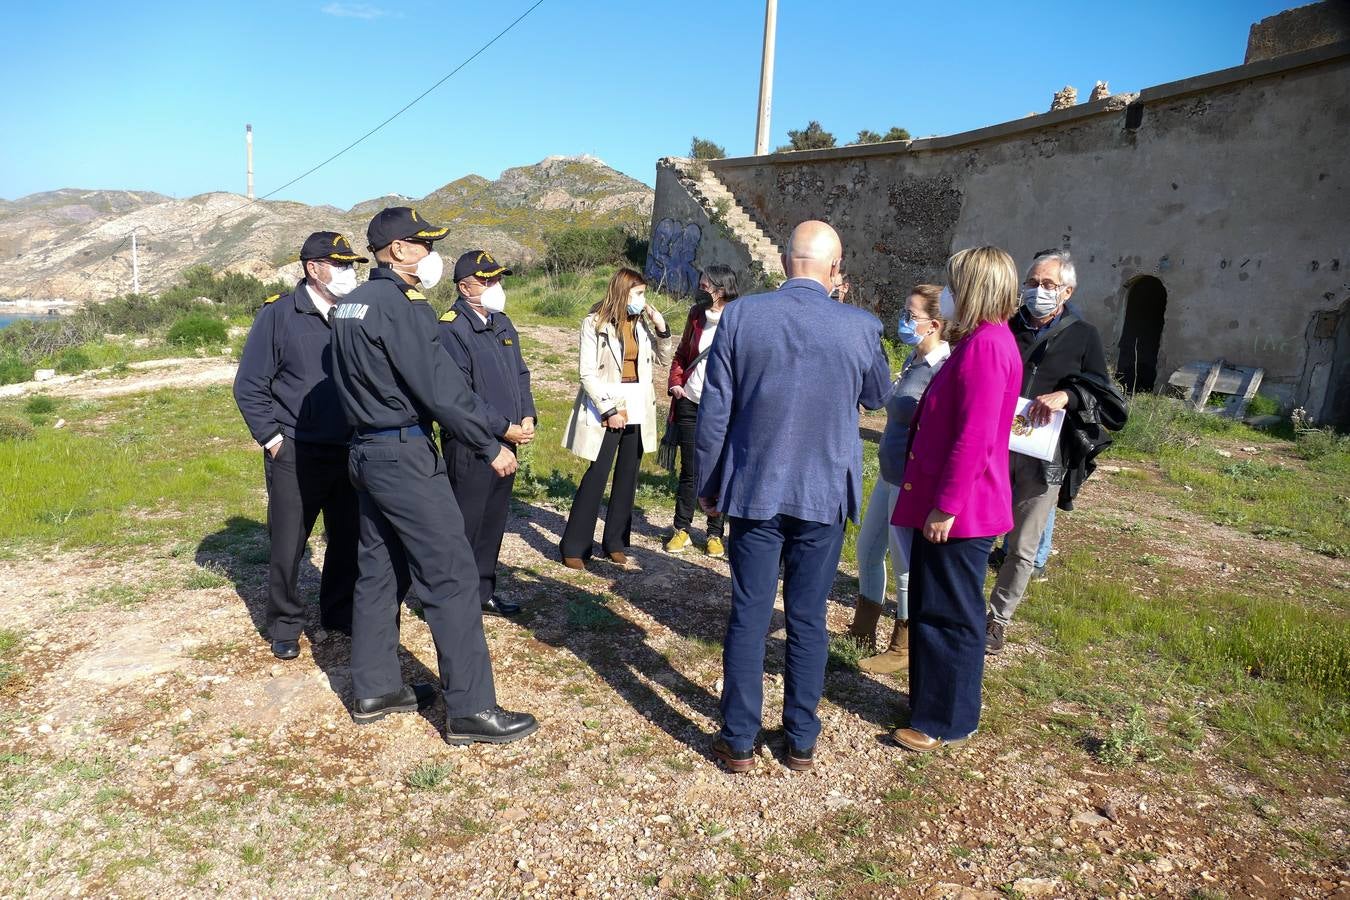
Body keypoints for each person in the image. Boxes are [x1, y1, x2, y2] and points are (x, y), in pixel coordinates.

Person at [329, 206, 537, 744]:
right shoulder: (403, 307)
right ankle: (471, 709)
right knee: (451, 574)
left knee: (379, 570)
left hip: (365, 452)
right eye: (422, 244)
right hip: (403, 454)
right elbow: (441, 389)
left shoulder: (349, 304)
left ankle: (376, 688)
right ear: (396, 250)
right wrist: (488, 442)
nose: (429, 255)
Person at [696, 221, 890, 773]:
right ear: (836, 267)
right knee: (807, 619)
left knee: (749, 615)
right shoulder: (861, 326)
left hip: (753, 490)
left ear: (785, 262)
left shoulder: (740, 316)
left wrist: (709, 487)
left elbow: (714, 415)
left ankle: (738, 740)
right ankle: (801, 739)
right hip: (824, 493)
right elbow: (877, 395)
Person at [889, 247, 1022, 753]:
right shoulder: (980, 341)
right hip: (951, 504)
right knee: (934, 607)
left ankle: (945, 719)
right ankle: (930, 703)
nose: (945, 293)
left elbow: (975, 435)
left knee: (950, 614)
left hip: (962, 511)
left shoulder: (988, 346)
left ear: (973, 288)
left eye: (953, 283)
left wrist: (946, 505)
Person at [233, 231, 366, 661]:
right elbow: (250, 385)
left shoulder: (353, 312)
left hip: (348, 446)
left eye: (352, 265)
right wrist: (273, 440)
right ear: (313, 268)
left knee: (347, 536)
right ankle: (285, 623)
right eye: (340, 264)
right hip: (296, 450)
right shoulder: (279, 314)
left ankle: (338, 612)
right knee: (289, 542)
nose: (349, 273)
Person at [986, 249, 1110, 654]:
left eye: (1049, 285)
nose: (1038, 291)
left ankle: (997, 620)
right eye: (1033, 283)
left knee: (1022, 545)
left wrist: (1068, 395)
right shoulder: (1004, 324)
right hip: (992, 447)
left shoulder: (1083, 334)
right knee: (977, 530)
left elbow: (1103, 392)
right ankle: (962, 605)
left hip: (1045, 456)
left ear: (1067, 290)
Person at [852, 284, 950, 672]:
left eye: (912, 316)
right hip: (889, 474)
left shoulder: (942, 369)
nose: (904, 321)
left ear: (935, 324)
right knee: (867, 549)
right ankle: (862, 629)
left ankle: (902, 645)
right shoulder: (913, 360)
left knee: (904, 562)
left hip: (911, 481)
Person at [437, 250, 535, 618]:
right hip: (471, 444)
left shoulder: (501, 321)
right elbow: (461, 396)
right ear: (465, 288)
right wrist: (501, 427)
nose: (497, 287)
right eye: (488, 280)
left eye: (498, 279)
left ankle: (482, 591)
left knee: (493, 520)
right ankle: (454, 600)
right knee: (465, 525)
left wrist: (527, 415)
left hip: (508, 439)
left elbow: (520, 375)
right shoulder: (451, 329)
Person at [559, 268, 673, 568]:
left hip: (639, 405)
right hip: (608, 406)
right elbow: (586, 373)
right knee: (597, 474)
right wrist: (609, 409)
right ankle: (574, 546)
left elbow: (662, 360)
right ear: (622, 293)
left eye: (644, 294)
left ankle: (615, 542)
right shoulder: (594, 324)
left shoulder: (641, 325)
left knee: (627, 478)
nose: (642, 300)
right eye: (637, 294)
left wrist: (661, 327)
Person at [663, 264, 740, 559]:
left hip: (723, 409)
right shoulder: (696, 315)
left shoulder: (737, 318)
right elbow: (683, 353)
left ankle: (714, 534)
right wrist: (675, 383)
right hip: (690, 401)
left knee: (719, 471)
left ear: (721, 290)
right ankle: (681, 529)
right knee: (690, 471)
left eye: (705, 286)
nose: (700, 289)